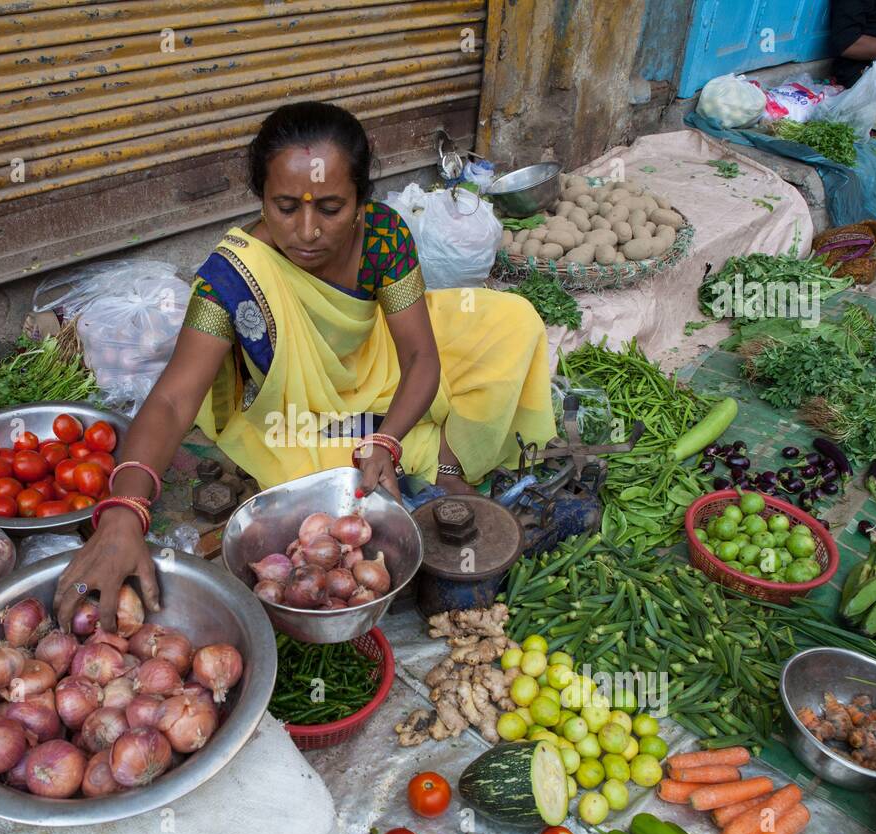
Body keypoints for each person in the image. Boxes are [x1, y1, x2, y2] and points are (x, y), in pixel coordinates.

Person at [54, 102, 556, 628]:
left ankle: (448, 466)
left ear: (362, 201)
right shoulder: (231, 277)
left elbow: (419, 356)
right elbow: (173, 398)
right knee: (316, 490)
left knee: (512, 323)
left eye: (332, 208)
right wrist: (122, 513)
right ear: (262, 199)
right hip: (302, 411)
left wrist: (387, 439)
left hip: (381, 359)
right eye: (286, 207)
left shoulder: (383, 235)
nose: (308, 231)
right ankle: (405, 457)